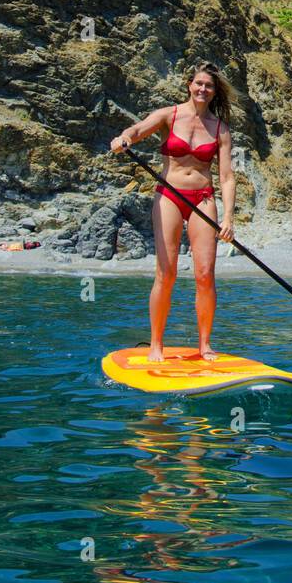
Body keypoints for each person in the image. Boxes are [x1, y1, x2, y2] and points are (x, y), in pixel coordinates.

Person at [110, 61, 235, 361]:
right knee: (167, 273)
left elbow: (227, 176)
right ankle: (156, 344)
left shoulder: (220, 129)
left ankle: (205, 345)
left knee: (205, 274)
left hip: (203, 199)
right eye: (199, 83)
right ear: (189, 85)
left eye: (209, 86)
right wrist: (124, 138)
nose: (203, 89)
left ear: (215, 92)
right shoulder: (170, 114)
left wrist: (229, 217)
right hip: (169, 196)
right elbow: (138, 129)